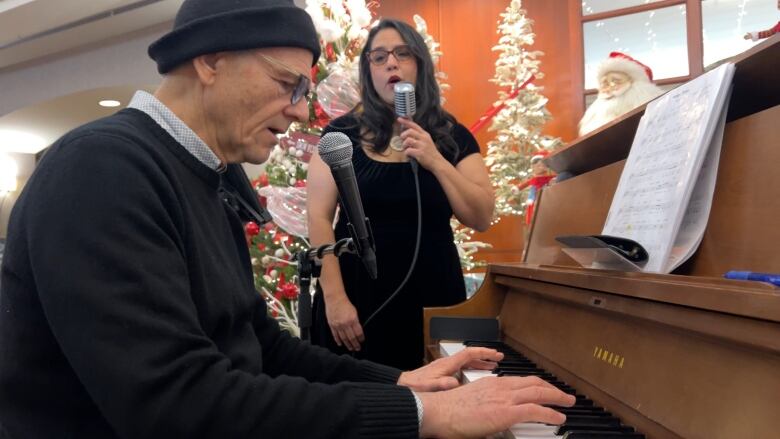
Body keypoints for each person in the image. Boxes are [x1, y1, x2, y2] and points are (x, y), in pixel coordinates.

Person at [0, 1, 575, 438]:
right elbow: (174, 403)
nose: (302, 109)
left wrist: (400, 382)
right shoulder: (103, 168)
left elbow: (261, 345)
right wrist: (421, 413)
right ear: (210, 60)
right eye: (287, 84)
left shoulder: (209, 175)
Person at [307, 19, 495, 371]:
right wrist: (334, 299)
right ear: (369, 71)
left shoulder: (452, 135)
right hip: (356, 305)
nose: (391, 63)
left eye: (402, 54)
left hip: (433, 300)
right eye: (379, 57)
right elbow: (318, 218)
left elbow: (481, 217)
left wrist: (435, 160)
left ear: (419, 65)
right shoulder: (340, 134)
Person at [578, 52, 664, 136]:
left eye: (616, 81)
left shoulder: (643, 96)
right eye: (605, 83)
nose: (610, 86)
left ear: (633, 82)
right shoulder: (596, 111)